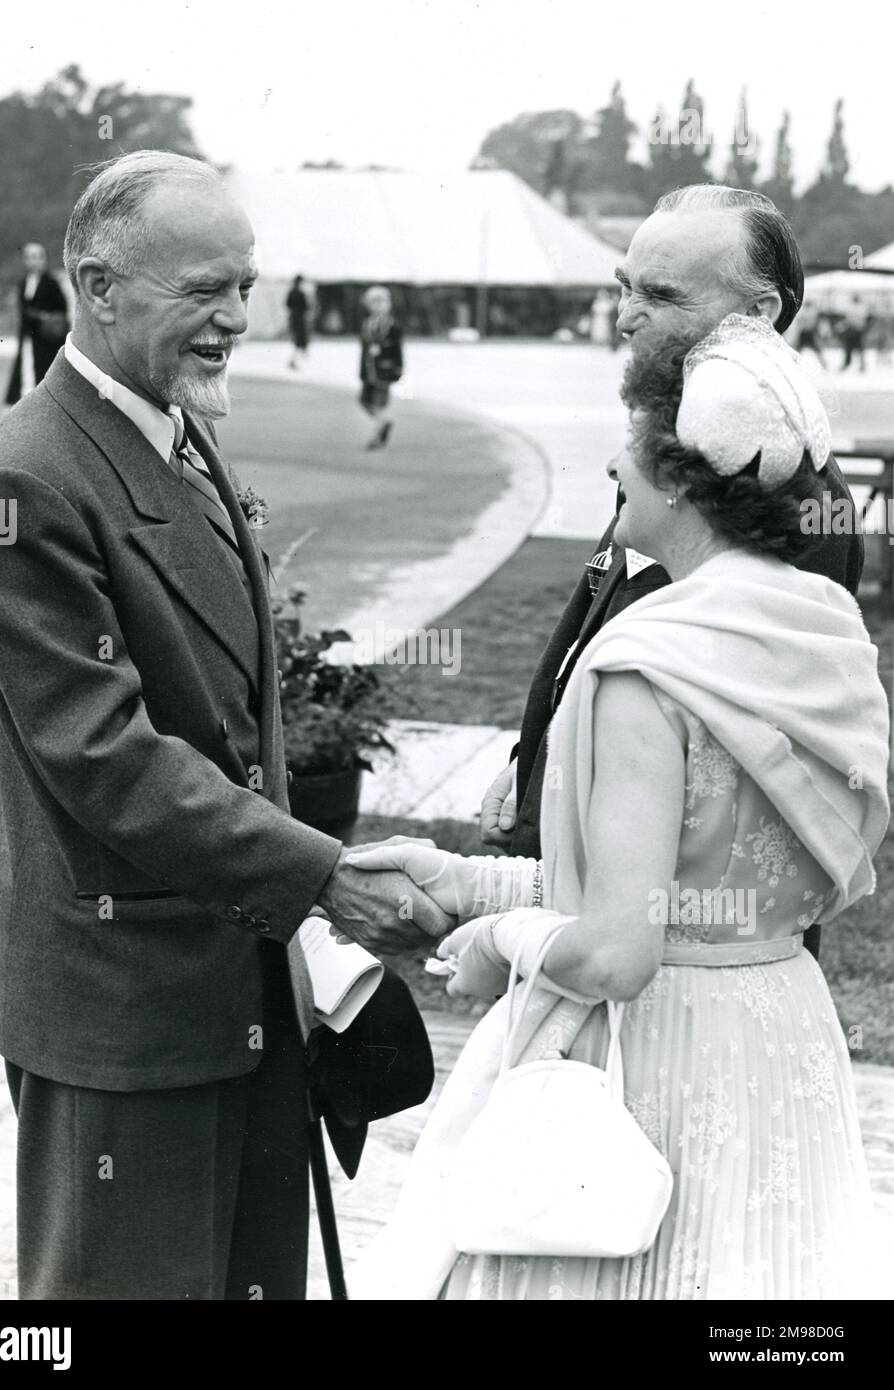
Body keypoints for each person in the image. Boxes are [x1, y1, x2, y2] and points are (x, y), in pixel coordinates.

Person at [0, 150, 450, 1301]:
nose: (235, 318)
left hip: (239, 982)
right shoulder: (26, 479)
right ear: (98, 284)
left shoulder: (169, 424)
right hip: (125, 1009)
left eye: (245, 285)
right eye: (203, 291)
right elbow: (108, 764)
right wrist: (325, 875)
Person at [346, 313, 890, 1299]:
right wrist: (464, 878)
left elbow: (617, 950)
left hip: (661, 1062)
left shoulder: (648, 659)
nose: (610, 462)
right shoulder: (824, 627)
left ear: (679, 477)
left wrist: (496, 939)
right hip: (777, 1038)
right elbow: (671, 882)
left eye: (627, 442)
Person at [479, 185, 863, 967]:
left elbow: (733, 775)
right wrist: (534, 758)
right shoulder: (678, 447)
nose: (624, 315)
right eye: (623, 285)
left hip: (678, 946)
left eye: (659, 293)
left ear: (757, 315)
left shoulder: (782, 493)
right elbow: (605, 619)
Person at [3, 241, 69, 406]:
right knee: (25, 368)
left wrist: (43, 317)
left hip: (46, 338)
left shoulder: (51, 283)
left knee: (44, 369)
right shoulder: (24, 282)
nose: (35, 261)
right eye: (31, 257)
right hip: (28, 335)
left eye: (38, 257)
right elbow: (23, 308)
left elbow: (61, 308)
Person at [359, 285, 403, 450]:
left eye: (381, 302)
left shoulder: (391, 325)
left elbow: (397, 348)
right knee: (364, 401)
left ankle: (376, 436)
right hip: (369, 371)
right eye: (374, 302)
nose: (378, 306)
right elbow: (364, 350)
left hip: (384, 370)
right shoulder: (367, 324)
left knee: (378, 404)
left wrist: (398, 367)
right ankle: (384, 421)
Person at [285, 274, 312, 369]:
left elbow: (287, 304)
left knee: (297, 341)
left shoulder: (291, 292)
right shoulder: (301, 293)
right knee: (300, 341)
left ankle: (294, 360)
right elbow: (306, 307)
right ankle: (294, 361)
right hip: (300, 319)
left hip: (293, 318)